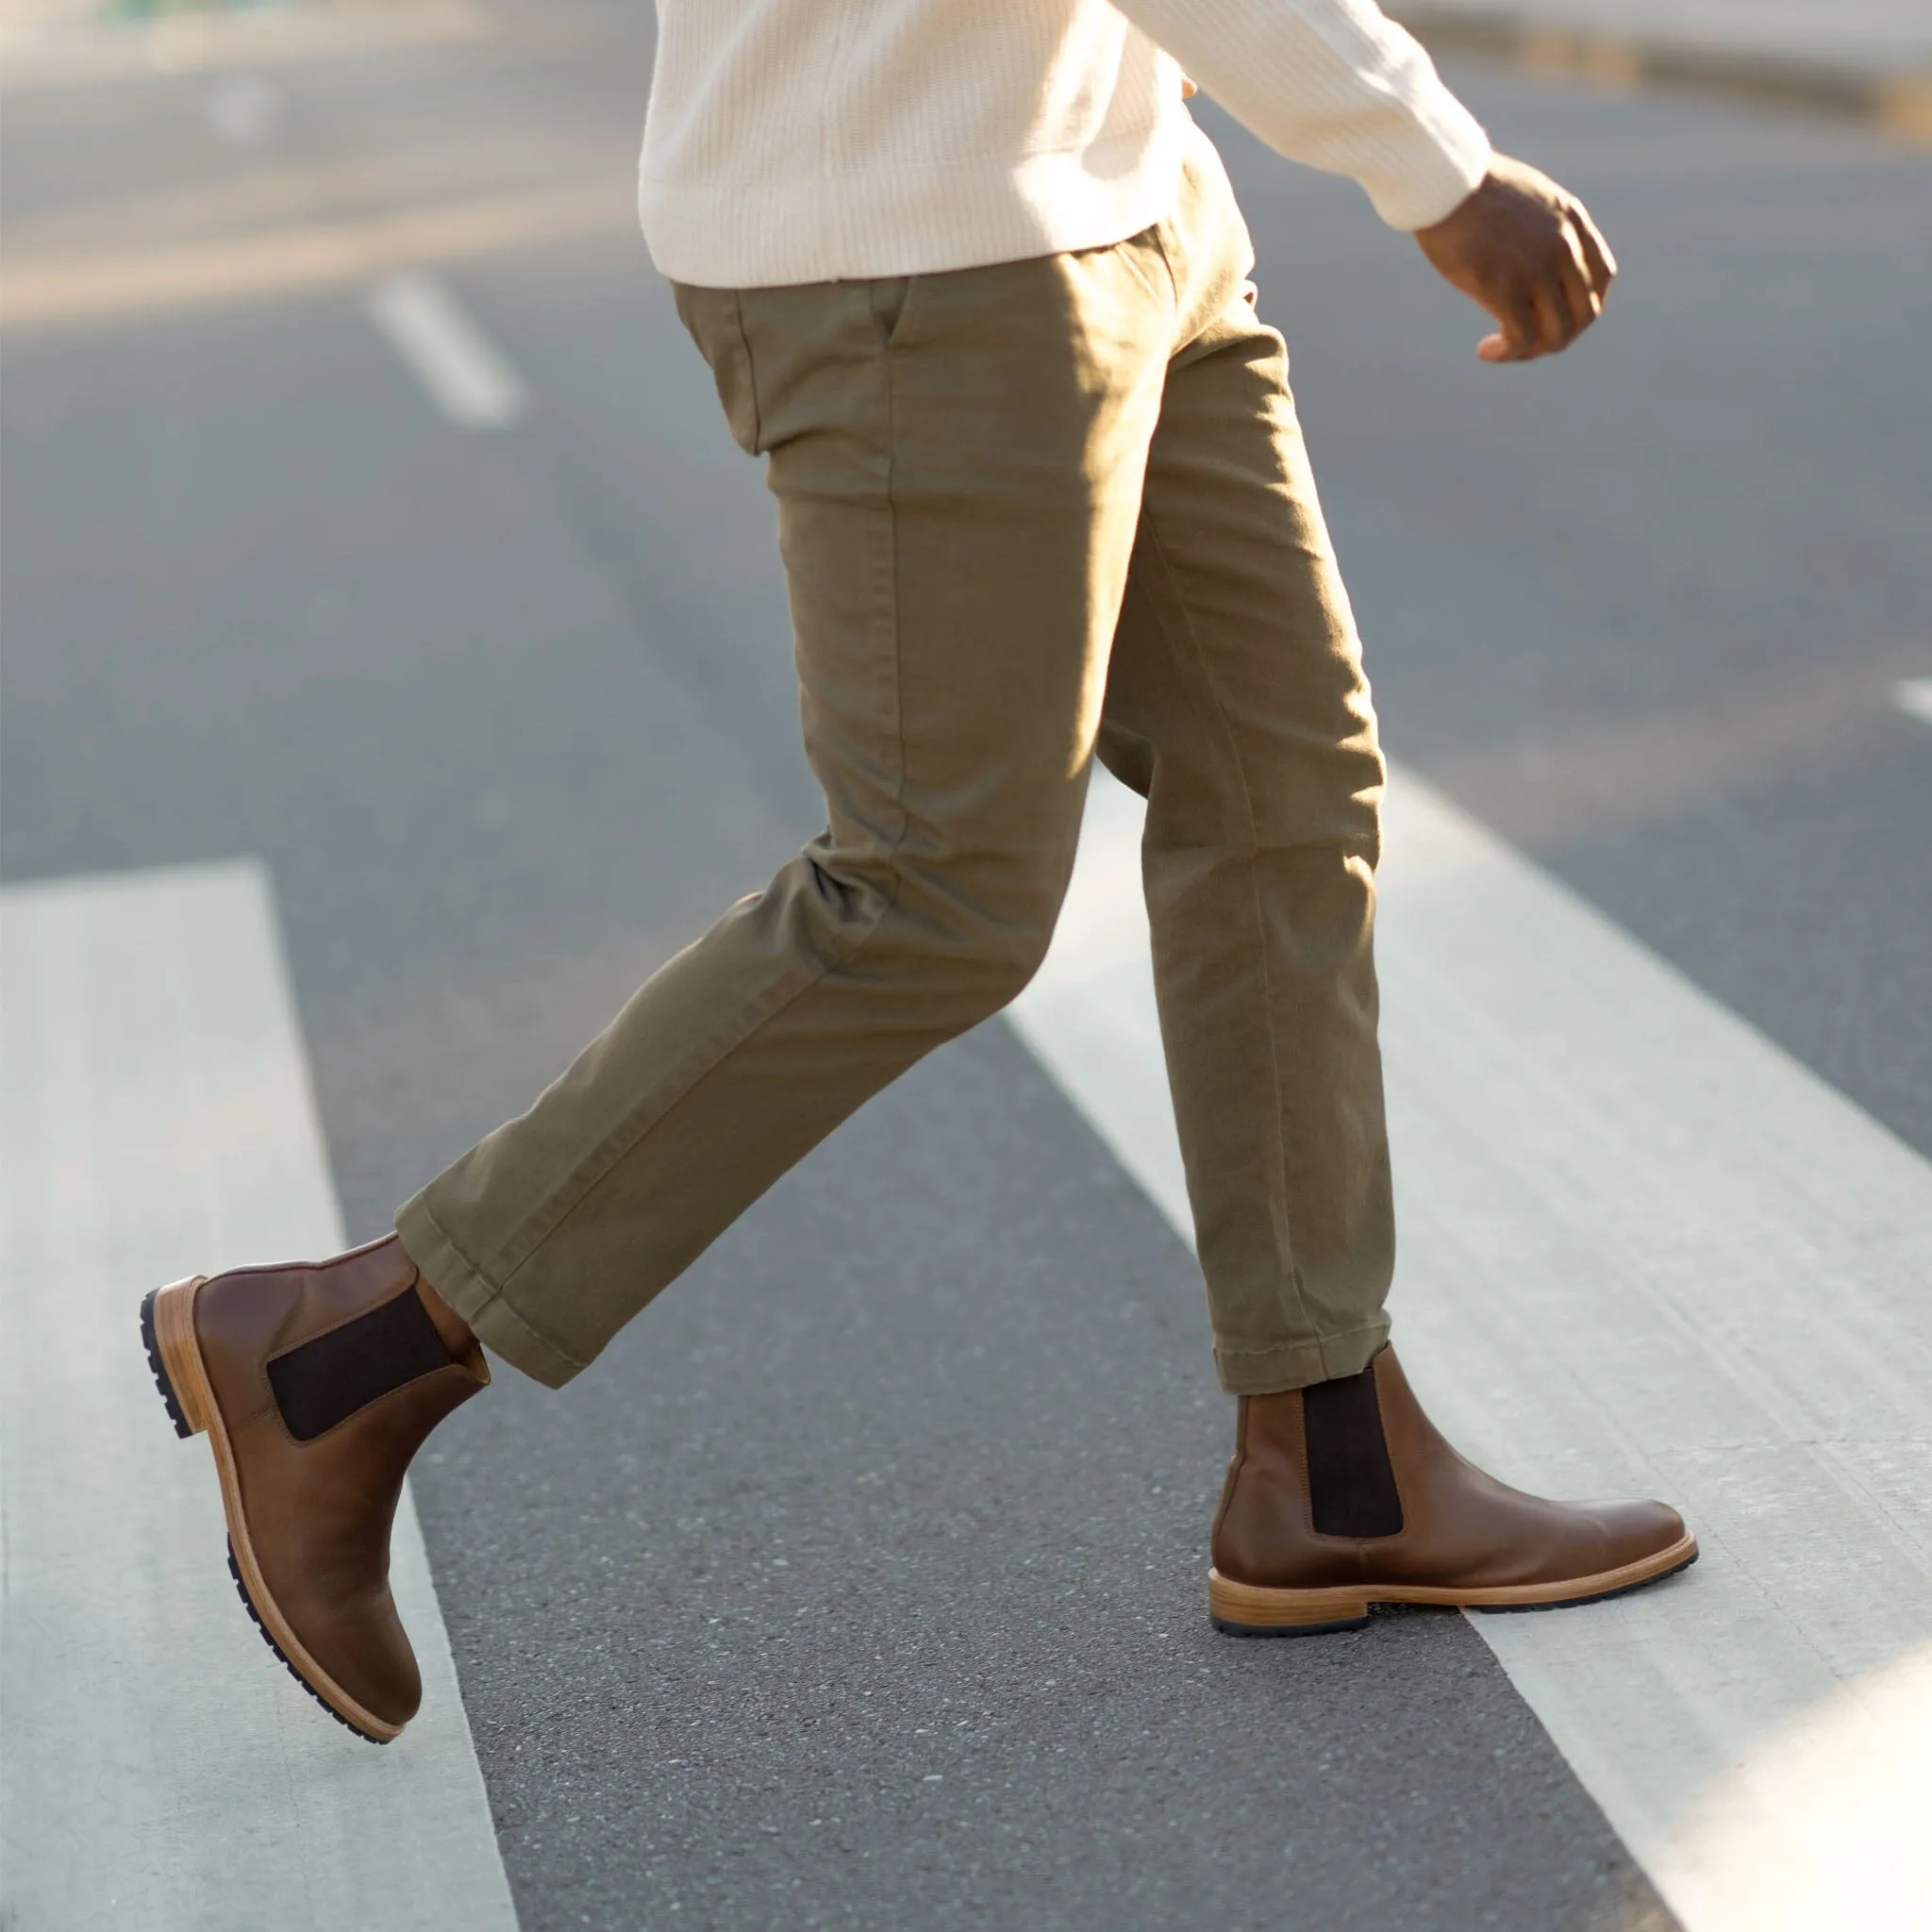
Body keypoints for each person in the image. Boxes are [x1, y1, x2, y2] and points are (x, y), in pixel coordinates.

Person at [139, 0, 1694, 1745]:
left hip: (1125, 199)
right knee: (933, 888)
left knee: (1284, 795)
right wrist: (1433, 163)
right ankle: (342, 1356)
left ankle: (1332, 1463)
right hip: (927, 252)